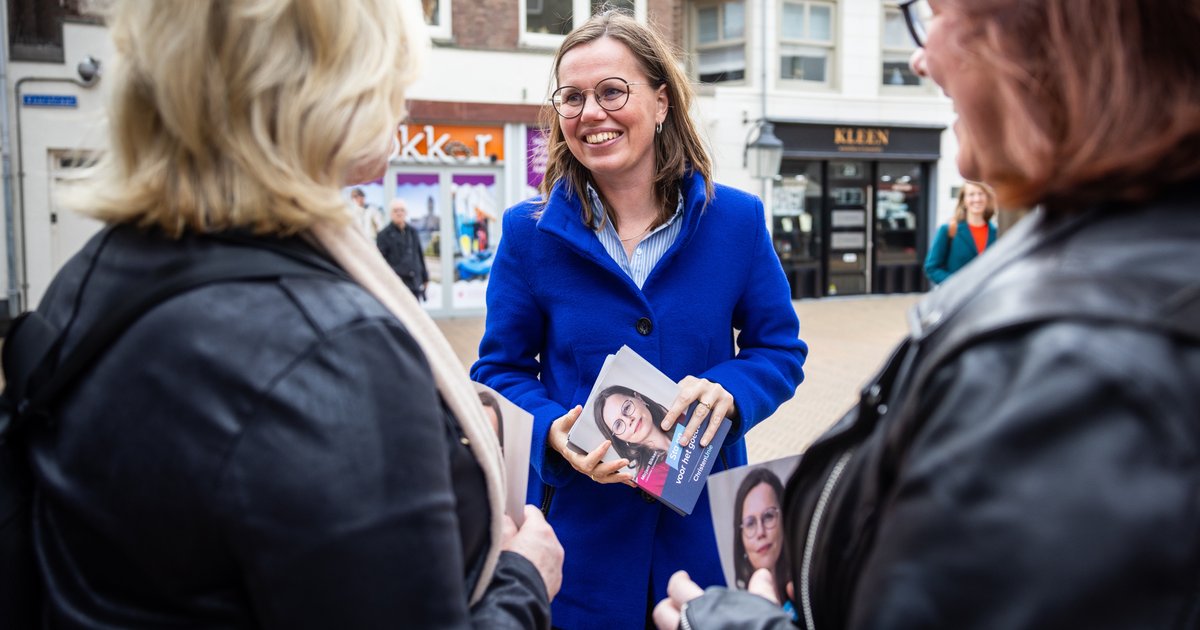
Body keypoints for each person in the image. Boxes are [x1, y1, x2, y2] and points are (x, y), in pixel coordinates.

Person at [654, 0, 1200, 627]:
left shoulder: (1083, 354)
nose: (920, 57)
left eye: (934, 16)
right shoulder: (1097, 258)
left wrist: (727, 622)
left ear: (1045, 35)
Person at [27, 0, 562, 627]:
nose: (405, 100)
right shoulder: (332, 347)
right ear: (331, 90)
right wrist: (523, 580)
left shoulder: (96, 273)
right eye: (392, 73)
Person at [470, 9, 807, 628]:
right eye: (572, 97)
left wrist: (729, 393)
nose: (590, 112)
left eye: (611, 91)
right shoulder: (527, 234)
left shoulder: (736, 221)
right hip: (579, 545)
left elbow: (780, 351)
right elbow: (499, 372)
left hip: (703, 530)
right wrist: (554, 431)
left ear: (660, 102)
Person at [731, 469, 791, 614]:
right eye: (750, 523)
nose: (760, 532)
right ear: (741, 540)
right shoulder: (736, 615)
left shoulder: (811, 589)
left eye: (769, 516)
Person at [593, 386, 673, 494]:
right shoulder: (649, 478)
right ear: (618, 438)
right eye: (618, 425)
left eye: (626, 408)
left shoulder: (682, 418)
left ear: (639, 398)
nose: (628, 420)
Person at [923, 181, 997, 285]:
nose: (977, 199)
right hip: (958, 298)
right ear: (964, 200)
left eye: (981, 194)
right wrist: (957, 285)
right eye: (971, 194)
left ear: (987, 198)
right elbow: (932, 268)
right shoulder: (948, 229)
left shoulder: (996, 233)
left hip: (988, 298)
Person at [377, 198, 429, 299]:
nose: (399, 213)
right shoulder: (383, 235)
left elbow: (419, 254)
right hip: (396, 284)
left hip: (414, 282)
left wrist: (425, 277)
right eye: (396, 210)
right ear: (391, 214)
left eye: (402, 210)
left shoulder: (412, 232)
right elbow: (381, 262)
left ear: (406, 213)